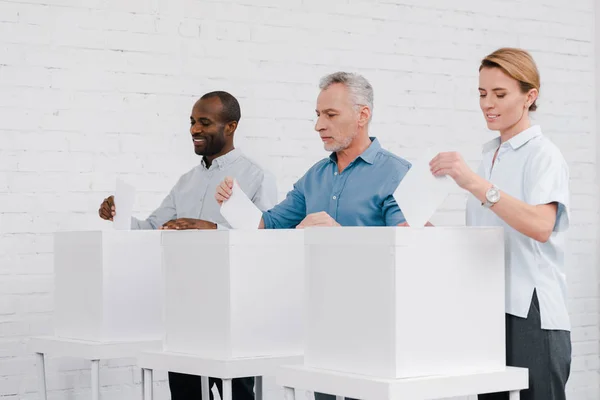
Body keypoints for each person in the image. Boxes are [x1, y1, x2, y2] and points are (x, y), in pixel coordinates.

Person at [216, 72, 411, 400]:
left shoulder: (396, 173)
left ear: (363, 115)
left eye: (330, 115)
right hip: (322, 321)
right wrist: (233, 203)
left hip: (376, 326)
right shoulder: (315, 176)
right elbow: (269, 225)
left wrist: (340, 236)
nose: (319, 125)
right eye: (318, 115)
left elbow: (405, 251)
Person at [98, 91, 276, 400]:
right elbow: (151, 229)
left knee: (239, 395)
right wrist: (119, 215)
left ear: (230, 126)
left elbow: (267, 245)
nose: (194, 129)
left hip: (234, 314)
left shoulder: (257, 176)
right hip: (184, 311)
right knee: (185, 393)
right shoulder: (185, 181)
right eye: (192, 122)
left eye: (204, 122)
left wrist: (212, 228)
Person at [429, 48, 571, 400]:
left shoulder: (543, 154)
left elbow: (541, 225)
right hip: (489, 308)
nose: (487, 103)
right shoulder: (489, 156)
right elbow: (487, 239)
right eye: (482, 93)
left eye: (500, 94)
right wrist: (427, 234)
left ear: (530, 96)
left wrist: (474, 183)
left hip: (532, 311)